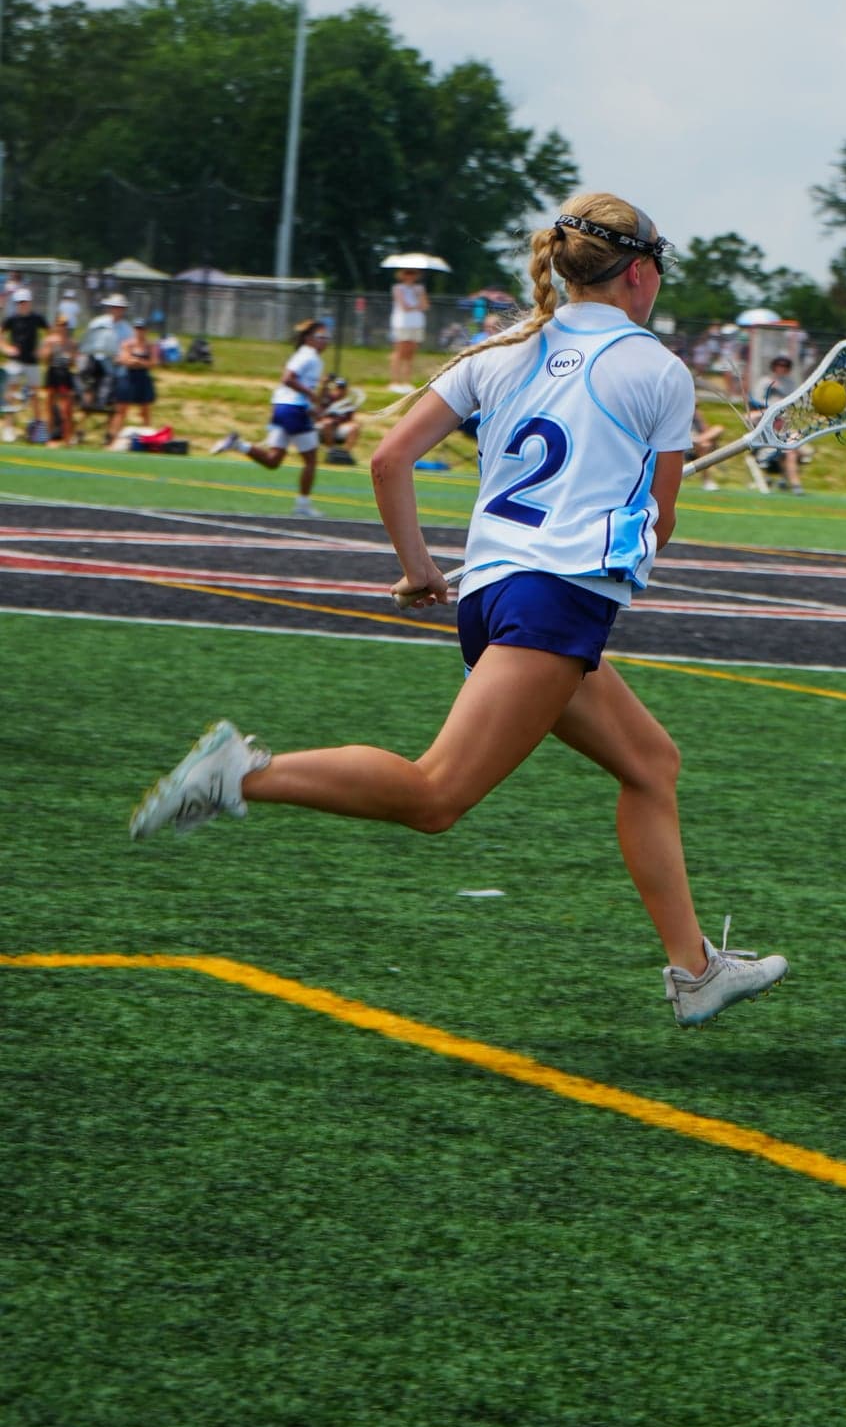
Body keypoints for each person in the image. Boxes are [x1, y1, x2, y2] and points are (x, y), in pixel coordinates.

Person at [132, 190, 788, 1028]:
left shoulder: (503, 351)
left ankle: (695, 970)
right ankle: (244, 774)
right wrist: (643, 504)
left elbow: (387, 459)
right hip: (555, 603)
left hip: (492, 593)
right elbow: (658, 521)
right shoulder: (657, 369)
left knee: (650, 764)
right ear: (638, 271)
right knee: (436, 796)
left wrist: (419, 571)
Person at [210, 318, 330, 517]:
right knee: (311, 460)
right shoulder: (309, 356)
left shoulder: (307, 356)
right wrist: (311, 396)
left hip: (283, 408)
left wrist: (312, 407)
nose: (325, 341)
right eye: (321, 337)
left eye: (327, 337)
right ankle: (303, 504)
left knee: (273, 460)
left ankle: (238, 444)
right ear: (309, 338)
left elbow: (294, 388)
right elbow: (288, 379)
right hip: (293, 409)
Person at [748, 354, 805, 493]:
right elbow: (756, 402)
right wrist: (773, 409)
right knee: (791, 450)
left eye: (785, 366)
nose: (781, 368)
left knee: (794, 447)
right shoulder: (764, 382)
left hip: (783, 422)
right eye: (779, 365)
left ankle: (791, 482)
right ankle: (791, 481)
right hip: (765, 419)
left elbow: (793, 403)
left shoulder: (790, 384)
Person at [1, 288, 47, 427]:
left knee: (34, 394)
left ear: (29, 302)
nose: (22, 304)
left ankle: (38, 427)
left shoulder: (37, 318)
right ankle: (9, 426)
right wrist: (6, 348)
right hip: (15, 362)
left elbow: (50, 334)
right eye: (19, 302)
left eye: (24, 302)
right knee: (11, 392)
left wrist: (42, 349)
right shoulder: (11, 319)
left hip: (32, 362)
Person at [107, 319, 159, 439]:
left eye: (142, 329)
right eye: (137, 329)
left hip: (143, 377)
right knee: (121, 409)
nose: (139, 331)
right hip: (129, 376)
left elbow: (154, 362)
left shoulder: (150, 346)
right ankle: (113, 437)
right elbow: (123, 359)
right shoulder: (127, 344)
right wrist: (133, 361)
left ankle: (147, 438)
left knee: (145, 410)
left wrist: (139, 362)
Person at [388, 268, 430, 392]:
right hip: (402, 323)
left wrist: (418, 297)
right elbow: (404, 306)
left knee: (411, 353)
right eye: (407, 273)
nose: (410, 276)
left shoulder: (419, 289)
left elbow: (425, 305)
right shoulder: (398, 288)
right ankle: (395, 381)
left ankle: (406, 381)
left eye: (412, 274)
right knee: (400, 351)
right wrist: (417, 306)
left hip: (416, 323)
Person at [40, 316, 79, 445]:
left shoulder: (71, 342)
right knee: (49, 406)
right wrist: (51, 350)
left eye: (65, 325)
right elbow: (44, 357)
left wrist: (70, 356)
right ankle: (49, 437)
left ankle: (67, 438)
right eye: (60, 325)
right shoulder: (50, 340)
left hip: (64, 374)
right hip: (53, 372)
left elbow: (74, 362)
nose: (62, 327)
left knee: (66, 408)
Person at [317, 374, 362, 461]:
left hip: (338, 427)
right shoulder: (327, 399)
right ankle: (331, 452)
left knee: (355, 427)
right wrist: (325, 383)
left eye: (342, 388)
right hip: (323, 427)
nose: (340, 390)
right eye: (338, 388)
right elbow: (319, 402)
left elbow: (349, 419)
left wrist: (336, 422)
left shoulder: (348, 404)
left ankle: (345, 454)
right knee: (327, 423)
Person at [690, 405, 724, 491]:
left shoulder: (696, 415)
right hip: (685, 446)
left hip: (698, 442)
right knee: (704, 446)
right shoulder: (676, 414)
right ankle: (707, 481)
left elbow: (706, 430)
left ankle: (698, 440)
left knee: (718, 429)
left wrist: (698, 416)